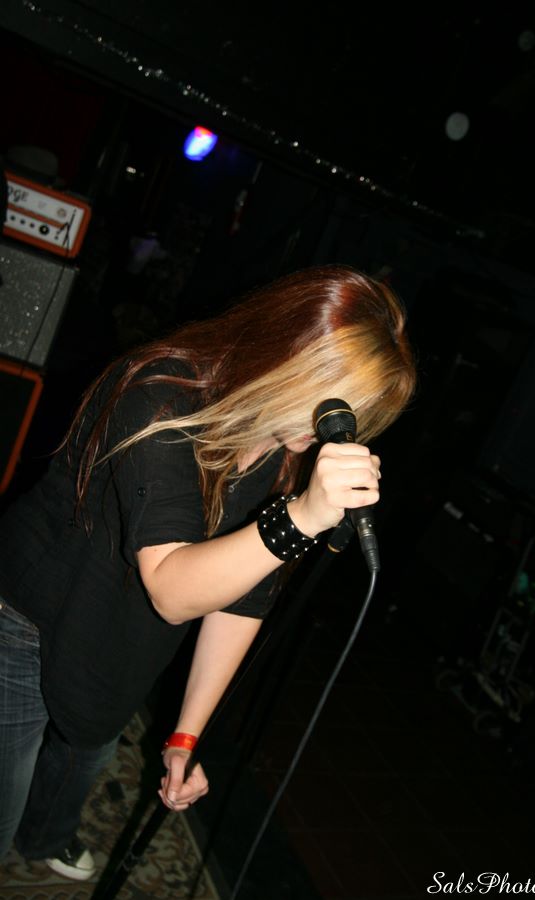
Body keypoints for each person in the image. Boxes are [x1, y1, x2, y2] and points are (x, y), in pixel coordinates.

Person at [0, 264, 416, 881]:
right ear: (287, 352)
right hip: (26, 618)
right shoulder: (160, 394)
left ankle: (45, 837)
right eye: (330, 402)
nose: (328, 432)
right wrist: (301, 520)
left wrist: (186, 736)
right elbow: (172, 589)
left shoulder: (283, 452)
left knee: (84, 753)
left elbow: (242, 599)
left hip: (117, 632)